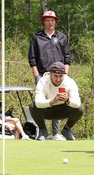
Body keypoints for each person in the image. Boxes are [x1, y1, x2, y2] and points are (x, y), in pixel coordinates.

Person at [28, 10, 71, 141]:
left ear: (55, 22)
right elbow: (32, 58)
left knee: (57, 100)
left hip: (59, 75)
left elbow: (67, 58)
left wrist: (65, 75)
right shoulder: (37, 37)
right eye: (47, 20)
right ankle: (42, 131)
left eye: (52, 20)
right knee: (41, 102)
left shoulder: (62, 37)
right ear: (43, 21)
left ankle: (56, 133)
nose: (50, 22)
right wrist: (37, 76)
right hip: (42, 75)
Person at [29, 61, 84, 141]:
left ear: (64, 75)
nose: (58, 79)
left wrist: (68, 100)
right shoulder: (42, 81)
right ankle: (43, 130)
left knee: (80, 108)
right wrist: (52, 101)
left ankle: (67, 129)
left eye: (61, 76)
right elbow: (38, 102)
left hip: (64, 109)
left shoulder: (70, 82)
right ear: (50, 74)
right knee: (33, 106)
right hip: (48, 110)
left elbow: (77, 103)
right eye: (55, 76)